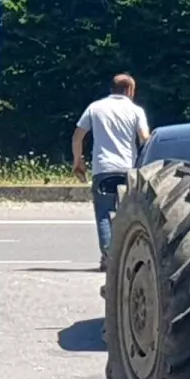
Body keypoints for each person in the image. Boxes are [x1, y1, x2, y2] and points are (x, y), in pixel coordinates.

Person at [71, 74, 151, 270]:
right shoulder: (136, 110)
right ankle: (128, 256)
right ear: (130, 90)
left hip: (103, 169)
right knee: (129, 214)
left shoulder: (95, 107)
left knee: (104, 214)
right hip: (128, 170)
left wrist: (78, 161)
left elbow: (77, 136)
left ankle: (109, 257)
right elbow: (144, 139)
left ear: (112, 88)